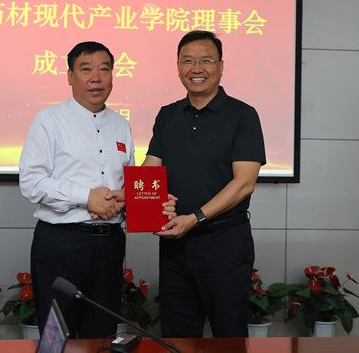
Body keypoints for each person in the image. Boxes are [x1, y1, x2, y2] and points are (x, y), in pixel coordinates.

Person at [144, 30, 266, 338]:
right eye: (188, 61)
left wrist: (194, 218)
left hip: (224, 244)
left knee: (229, 336)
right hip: (175, 246)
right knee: (177, 337)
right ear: (178, 67)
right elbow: (149, 171)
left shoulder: (243, 115)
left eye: (206, 61)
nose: (196, 69)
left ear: (221, 66)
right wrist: (136, 201)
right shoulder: (167, 115)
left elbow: (244, 183)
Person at [19, 41, 133, 338]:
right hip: (62, 244)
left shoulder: (121, 125)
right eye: (86, 69)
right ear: (70, 76)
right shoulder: (49, 120)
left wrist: (126, 201)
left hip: (110, 245)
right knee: (58, 336)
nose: (96, 78)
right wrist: (87, 198)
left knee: (102, 336)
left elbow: (127, 183)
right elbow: (31, 182)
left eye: (104, 69)